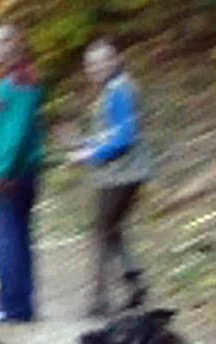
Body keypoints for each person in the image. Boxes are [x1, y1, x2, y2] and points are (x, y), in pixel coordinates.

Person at [66, 39, 153, 317]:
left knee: (102, 232)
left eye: (104, 60)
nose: (97, 67)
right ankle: (133, 280)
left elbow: (125, 138)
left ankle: (100, 301)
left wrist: (90, 155)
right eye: (92, 63)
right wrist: (85, 143)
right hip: (123, 173)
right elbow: (112, 132)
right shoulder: (115, 89)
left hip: (122, 175)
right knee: (110, 229)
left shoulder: (120, 90)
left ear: (116, 59)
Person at [0, 24, 44, 326]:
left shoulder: (16, 82)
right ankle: (21, 305)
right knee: (17, 239)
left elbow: (14, 135)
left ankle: (12, 306)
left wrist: (0, 174)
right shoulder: (21, 77)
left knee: (2, 242)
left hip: (11, 176)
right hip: (25, 173)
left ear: (14, 43)